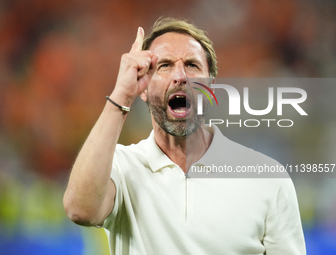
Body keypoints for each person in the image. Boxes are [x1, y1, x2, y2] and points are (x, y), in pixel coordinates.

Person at [63, 18, 306, 255]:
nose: (180, 76)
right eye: (165, 65)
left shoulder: (267, 179)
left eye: (192, 65)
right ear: (144, 89)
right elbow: (79, 210)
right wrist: (122, 94)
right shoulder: (119, 167)